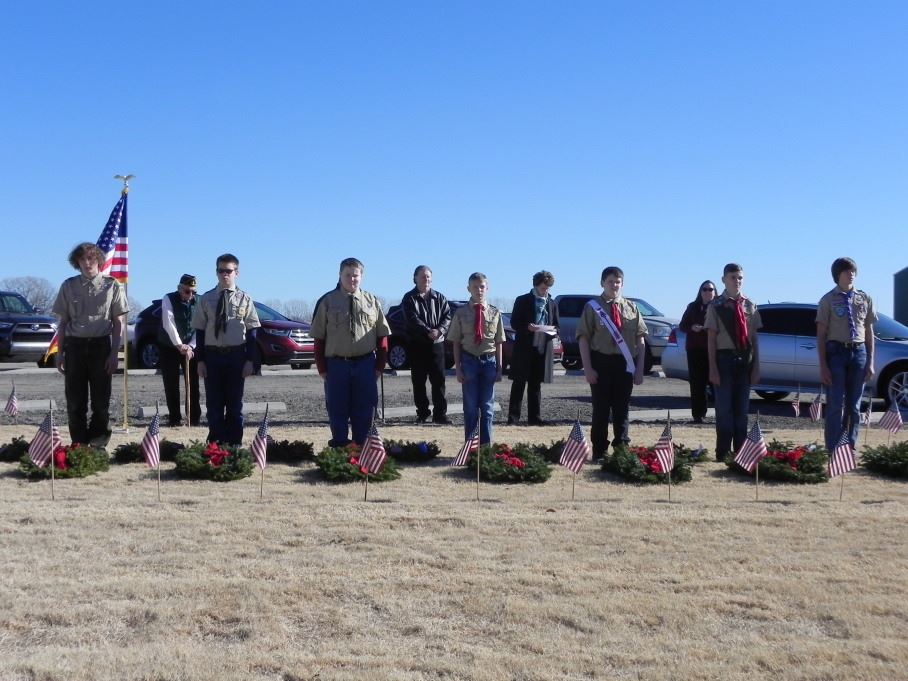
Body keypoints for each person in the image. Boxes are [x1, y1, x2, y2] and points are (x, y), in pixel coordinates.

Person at [52, 242, 129, 447]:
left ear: (99, 261)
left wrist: (114, 354)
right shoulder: (68, 286)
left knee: (100, 401)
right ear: (77, 262)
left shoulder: (112, 285)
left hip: (101, 347)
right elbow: (63, 324)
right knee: (75, 402)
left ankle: (97, 444)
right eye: (83, 259)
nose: (88, 263)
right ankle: (78, 444)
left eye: (91, 259)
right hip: (75, 347)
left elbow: (118, 323)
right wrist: (60, 354)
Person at [311, 257, 390, 447]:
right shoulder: (327, 301)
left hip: (365, 364)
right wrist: (322, 368)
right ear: (340, 275)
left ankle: (362, 447)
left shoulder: (372, 302)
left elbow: (383, 337)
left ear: (361, 276)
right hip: (337, 365)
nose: (352, 279)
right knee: (337, 409)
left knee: (365, 409)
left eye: (355, 275)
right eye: (347, 275)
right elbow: (318, 338)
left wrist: (379, 366)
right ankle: (340, 447)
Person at [577, 266, 648, 459]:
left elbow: (640, 340)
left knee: (622, 409)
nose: (614, 285)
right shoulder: (592, 307)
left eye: (618, 282)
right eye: (610, 281)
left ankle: (622, 448)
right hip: (601, 362)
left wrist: (640, 369)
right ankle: (600, 450)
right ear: (602, 283)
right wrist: (588, 369)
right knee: (600, 409)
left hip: (625, 364)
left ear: (622, 284)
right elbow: (583, 338)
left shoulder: (632, 308)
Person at [192, 254, 261, 446]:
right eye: (220, 271)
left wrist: (250, 360)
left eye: (228, 271)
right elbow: (199, 330)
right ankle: (215, 442)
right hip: (213, 356)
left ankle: (234, 443)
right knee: (214, 404)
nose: (224, 275)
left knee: (234, 404)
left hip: (236, 356)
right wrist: (200, 361)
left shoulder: (245, 299)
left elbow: (253, 331)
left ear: (236, 273)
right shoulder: (206, 299)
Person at [816, 257, 876, 453]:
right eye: (846, 271)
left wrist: (870, 361)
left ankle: (849, 448)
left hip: (858, 352)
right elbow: (821, 334)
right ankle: (833, 447)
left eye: (853, 271)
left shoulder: (864, 298)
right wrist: (823, 365)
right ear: (837, 275)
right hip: (836, 353)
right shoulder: (828, 300)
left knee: (854, 405)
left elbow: (869, 332)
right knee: (835, 403)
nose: (851, 274)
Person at [706, 263, 761, 461]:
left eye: (739, 278)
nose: (736, 281)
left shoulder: (750, 305)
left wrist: (757, 367)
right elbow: (711, 339)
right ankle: (722, 453)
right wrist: (712, 368)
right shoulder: (716, 306)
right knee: (724, 410)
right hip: (723, 359)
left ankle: (741, 453)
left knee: (741, 410)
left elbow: (754, 339)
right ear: (723, 280)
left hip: (744, 361)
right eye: (732, 277)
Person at [449, 273, 505, 446]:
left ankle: (486, 449)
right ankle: (471, 448)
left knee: (487, 408)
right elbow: (456, 343)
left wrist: (500, 368)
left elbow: (499, 342)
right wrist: (457, 368)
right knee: (471, 408)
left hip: (489, 363)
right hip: (469, 362)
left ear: (487, 288)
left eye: (482, 287)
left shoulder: (495, 313)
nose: (479, 290)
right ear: (468, 289)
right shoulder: (460, 313)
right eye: (475, 287)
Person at [401, 265, 452, 424]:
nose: (426, 279)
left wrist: (440, 330)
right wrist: (427, 331)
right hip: (417, 345)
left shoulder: (440, 298)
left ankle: (440, 414)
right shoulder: (409, 298)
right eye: (423, 276)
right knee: (419, 381)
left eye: (428, 276)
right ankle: (422, 413)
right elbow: (412, 319)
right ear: (415, 278)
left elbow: (447, 316)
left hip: (437, 344)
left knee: (439, 381)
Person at [507, 270, 560, 425]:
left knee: (535, 384)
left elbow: (557, 325)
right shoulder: (523, 300)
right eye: (544, 287)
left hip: (542, 348)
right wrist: (527, 327)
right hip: (524, 348)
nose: (546, 291)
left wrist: (553, 330)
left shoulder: (552, 303)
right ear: (536, 285)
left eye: (548, 288)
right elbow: (514, 323)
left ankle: (534, 418)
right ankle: (513, 417)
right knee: (519, 383)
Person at [157, 274, 201, 427]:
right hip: (169, 346)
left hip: (191, 347)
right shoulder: (168, 298)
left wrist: (191, 346)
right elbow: (168, 323)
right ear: (179, 288)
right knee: (171, 383)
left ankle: (194, 418)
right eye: (187, 291)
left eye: (193, 292)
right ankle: (174, 418)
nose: (191, 295)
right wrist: (179, 345)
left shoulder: (200, 301)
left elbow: (201, 326)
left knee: (194, 384)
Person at [678, 280, 717, 423]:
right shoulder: (693, 307)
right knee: (697, 383)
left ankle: (721, 414)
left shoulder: (719, 307)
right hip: (695, 350)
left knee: (715, 382)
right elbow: (682, 325)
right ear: (700, 292)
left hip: (713, 350)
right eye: (704, 289)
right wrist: (692, 327)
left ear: (715, 292)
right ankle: (698, 415)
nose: (707, 292)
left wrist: (708, 329)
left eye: (710, 289)